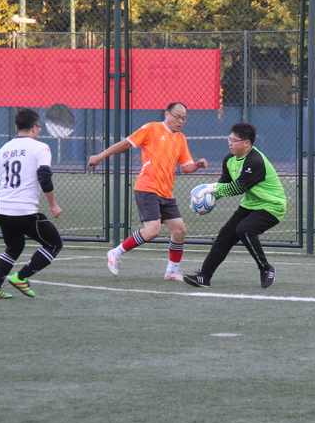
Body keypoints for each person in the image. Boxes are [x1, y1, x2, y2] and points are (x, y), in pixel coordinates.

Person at [87, 102, 207, 280]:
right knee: (152, 230)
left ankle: (171, 272)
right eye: (177, 117)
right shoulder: (152, 128)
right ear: (167, 114)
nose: (181, 121)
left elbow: (186, 167)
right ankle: (116, 252)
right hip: (147, 188)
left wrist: (197, 165)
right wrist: (100, 156)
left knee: (180, 231)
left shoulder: (181, 138)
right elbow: (125, 144)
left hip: (166, 192)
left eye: (184, 118)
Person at [184, 122, 287, 289]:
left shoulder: (255, 161)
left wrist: (211, 188)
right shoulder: (229, 159)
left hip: (272, 206)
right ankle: (204, 277)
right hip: (250, 205)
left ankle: (266, 268)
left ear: (246, 143)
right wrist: (207, 200)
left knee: (244, 229)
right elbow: (224, 184)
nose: (230, 143)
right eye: (229, 139)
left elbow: (238, 188)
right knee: (225, 236)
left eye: (234, 140)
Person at [0, 108, 63, 299]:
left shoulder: (3, 149)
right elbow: (44, 177)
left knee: (14, 247)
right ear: (35, 127)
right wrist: (53, 204)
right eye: (39, 128)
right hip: (24, 210)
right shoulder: (40, 148)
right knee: (54, 244)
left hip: (4, 209)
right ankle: (21, 277)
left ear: (17, 127)